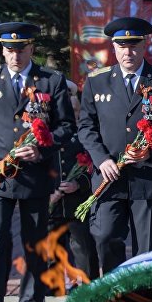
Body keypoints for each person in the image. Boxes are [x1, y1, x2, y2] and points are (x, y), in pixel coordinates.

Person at [0, 22, 75, 302]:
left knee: (35, 245)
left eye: (21, 49)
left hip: (36, 176)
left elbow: (67, 126)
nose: (15, 55)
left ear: (31, 49)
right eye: (9, 50)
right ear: (2, 50)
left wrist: (44, 146)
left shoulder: (51, 81)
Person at [77, 17, 152, 273]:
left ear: (143, 46)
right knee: (105, 237)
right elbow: (86, 126)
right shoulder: (97, 81)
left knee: (147, 250)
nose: (128, 52)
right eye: (121, 45)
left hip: (149, 177)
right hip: (109, 177)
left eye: (134, 45)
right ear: (113, 47)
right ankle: (115, 295)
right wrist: (102, 159)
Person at [48, 80, 99, 282]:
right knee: (51, 258)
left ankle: (89, 295)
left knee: (85, 254)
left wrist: (79, 184)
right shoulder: (47, 134)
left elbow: (94, 165)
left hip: (78, 206)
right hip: (51, 207)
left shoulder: (86, 134)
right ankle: (53, 299)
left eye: (76, 109)